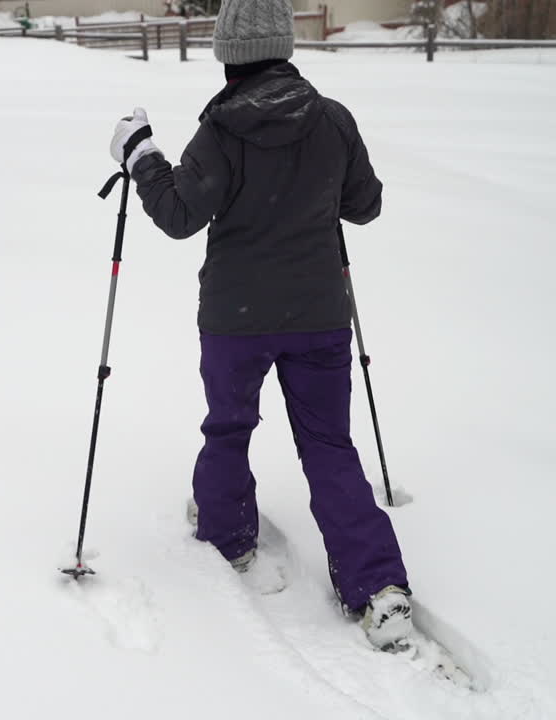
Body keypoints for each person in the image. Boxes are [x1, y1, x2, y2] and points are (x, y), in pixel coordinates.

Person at [108, 0, 413, 649]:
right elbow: (366, 205)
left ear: (227, 55)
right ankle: (377, 586)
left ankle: (227, 531)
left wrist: (141, 155)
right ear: (285, 47)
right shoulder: (332, 120)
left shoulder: (220, 132)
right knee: (329, 445)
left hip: (235, 319)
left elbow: (178, 214)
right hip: (318, 317)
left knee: (229, 427)